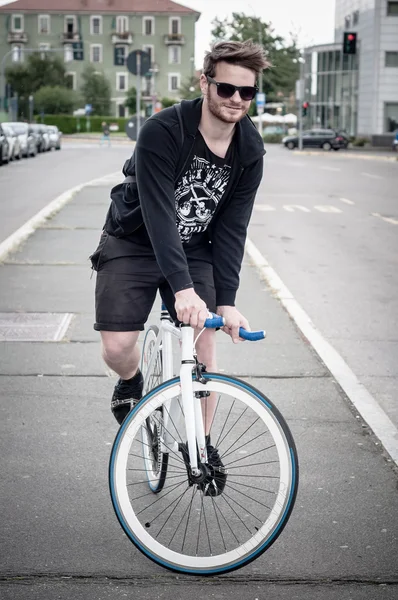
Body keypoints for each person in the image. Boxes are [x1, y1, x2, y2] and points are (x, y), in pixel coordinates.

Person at [90, 40, 268, 479]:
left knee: (202, 337)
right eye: (226, 89)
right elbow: (158, 213)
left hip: (193, 249)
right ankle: (132, 381)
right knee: (116, 347)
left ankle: (201, 447)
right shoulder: (163, 130)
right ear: (204, 82)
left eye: (247, 93)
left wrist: (224, 301)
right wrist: (182, 289)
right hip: (132, 239)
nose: (236, 100)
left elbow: (231, 228)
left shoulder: (250, 150)